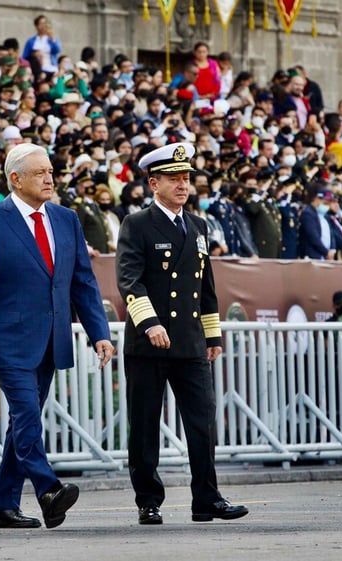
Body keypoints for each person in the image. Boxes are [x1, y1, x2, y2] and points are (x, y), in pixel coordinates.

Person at [0, 143, 114, 530]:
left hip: (52, 340)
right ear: (15, 179)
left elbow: (83, 281)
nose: (49, 178)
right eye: (40, 173)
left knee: (21, 425)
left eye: (50, 171)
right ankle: (48, 489)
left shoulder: (66, 219)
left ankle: (2, 505)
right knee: (27, 414)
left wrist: (99, 331)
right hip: (8, 341)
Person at [115, 142, 248, 525]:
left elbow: (205, 285)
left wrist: (212, 337)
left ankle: (206, 498)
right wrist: (150, 322)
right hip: (148, 343)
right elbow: (129, 279)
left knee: (203, 420)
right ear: (153, 183)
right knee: (144, 425)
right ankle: (148, 500)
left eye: (186, 178)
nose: (183, 185)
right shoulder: (136, 224)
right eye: (174, 179)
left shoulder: (198, 225)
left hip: (189, 342)